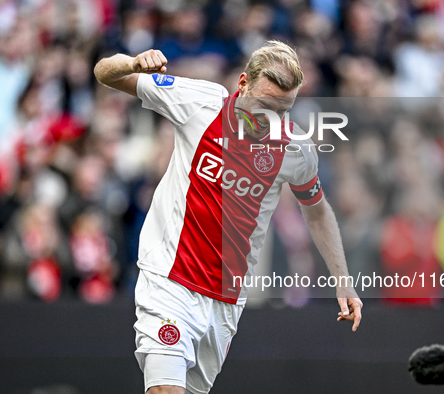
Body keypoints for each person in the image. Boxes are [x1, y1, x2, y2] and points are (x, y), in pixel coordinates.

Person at [94, 41, 363, 394]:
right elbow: (103, 72)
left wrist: (343, 280)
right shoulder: (199, 103)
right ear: (242, 85)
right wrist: (132, 63)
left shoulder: (295, 148)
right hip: (169, 280)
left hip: (226, 299)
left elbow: (317, 211)